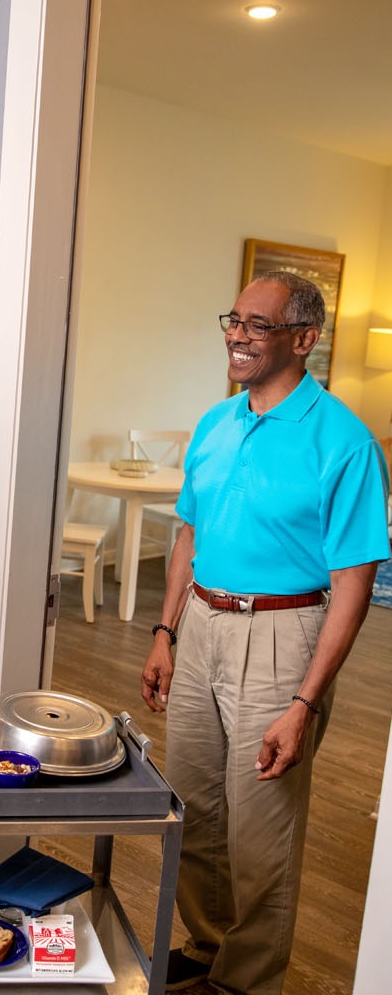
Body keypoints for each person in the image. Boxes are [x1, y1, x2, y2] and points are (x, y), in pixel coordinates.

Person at [140, 270, 390, 994]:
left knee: (260, 827)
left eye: (256, 324)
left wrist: (305, 702)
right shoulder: (216, 422)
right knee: (191, 807)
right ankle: (208, 941)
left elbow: (354, 583)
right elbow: (189, 531)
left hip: (284, 635)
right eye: (233, 319)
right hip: (202, 625)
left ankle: (247, 981)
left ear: (303, 340)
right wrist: (164, 631)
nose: (235, 335)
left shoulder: (342, 441)